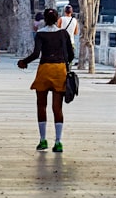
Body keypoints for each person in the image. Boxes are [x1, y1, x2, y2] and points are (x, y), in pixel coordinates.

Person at [18, 9, 74, 152]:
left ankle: (43, 140)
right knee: (57, 108)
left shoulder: (40, 34)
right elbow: (71, 54)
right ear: (56, 19)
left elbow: (36, 54)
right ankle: (58, 142)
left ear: (44, 19)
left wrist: (24, 62)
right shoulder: (63, 33)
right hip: (59, 70)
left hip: (44, 70)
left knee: (41, 105)